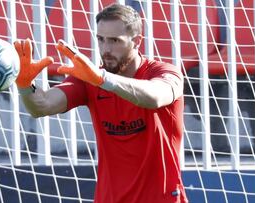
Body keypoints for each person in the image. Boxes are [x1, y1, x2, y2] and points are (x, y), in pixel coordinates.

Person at [14, 3, 188, 203]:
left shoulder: (164, 72)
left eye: (115, 40)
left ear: (137, 41)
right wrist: (25, 85)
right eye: (101, 39)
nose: (106, 49)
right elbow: (41, 106)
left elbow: (155, 96)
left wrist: (103, 79)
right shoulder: (90, 78)